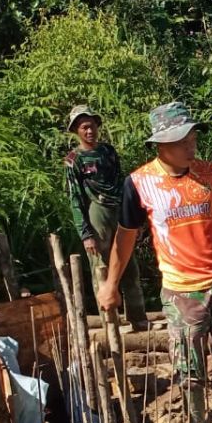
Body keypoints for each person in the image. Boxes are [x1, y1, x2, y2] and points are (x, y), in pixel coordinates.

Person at [97, 102, 212, 423]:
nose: (191, 144)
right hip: (181, 292)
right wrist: (110, 284)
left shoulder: (209, 174)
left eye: (192, 136)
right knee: (189, 368)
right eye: (182, 139)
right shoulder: (140, 184)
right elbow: (125, 238)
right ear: (161, 144)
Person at [64, 105, 147, 330]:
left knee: (128, 262)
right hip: (96, 211)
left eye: (91, 126)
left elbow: (121, 183)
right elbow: (75, 198)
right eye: (84, 127)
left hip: (118, 209)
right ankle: (109, 320)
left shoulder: (108, 151)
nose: (89, 131)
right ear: (76, 131)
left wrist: (133, 218)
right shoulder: (74, 160)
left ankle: (138, 318)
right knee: (101, 266)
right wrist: (85, 234)